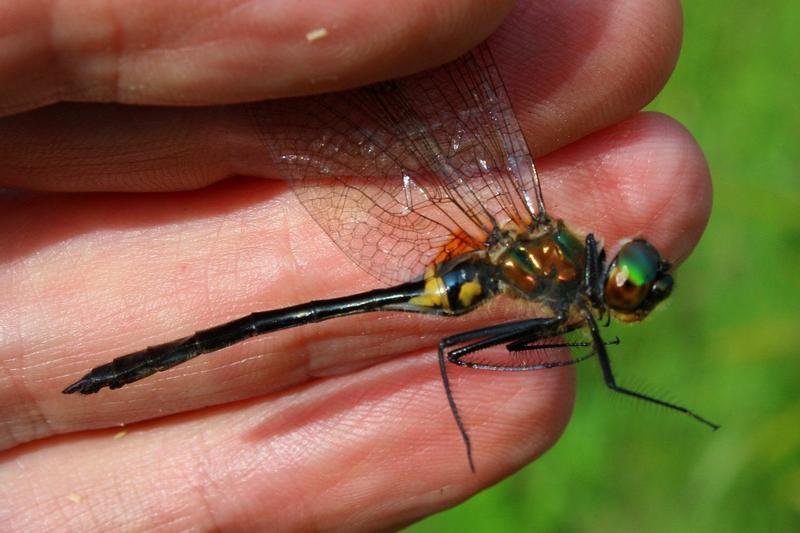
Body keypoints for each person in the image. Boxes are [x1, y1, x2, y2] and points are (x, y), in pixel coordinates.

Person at [0, 0, 711, 529]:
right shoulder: (565, 276)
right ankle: (125, 369)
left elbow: (514, 347)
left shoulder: (563, 262)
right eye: (631, 281)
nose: (630, 284)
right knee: (327, 335)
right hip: (471, 265)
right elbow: (532, 361)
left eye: (633, 281)